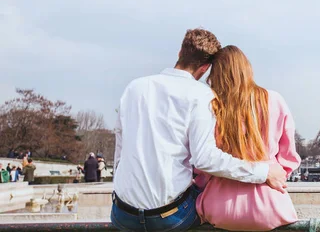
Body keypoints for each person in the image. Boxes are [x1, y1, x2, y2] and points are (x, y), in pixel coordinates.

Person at [111, 29, 287, 232]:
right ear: (205, 68)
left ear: (180, 53)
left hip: (122, 214)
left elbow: (120, 150)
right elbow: (206, 160)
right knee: (207, 198)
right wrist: (263, 171)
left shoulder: (134, 87)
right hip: (169, 217)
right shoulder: (201, 95)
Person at [195, 45, 301, 231]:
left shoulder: (211, 105)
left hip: (219, 207)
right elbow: (289, 157)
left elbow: (203, 163)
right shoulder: (274, 99)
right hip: (268, 205)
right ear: (247, 68)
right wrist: (272, 175)